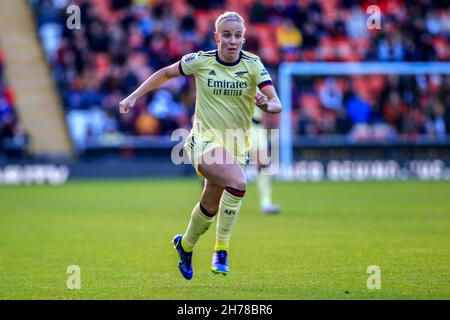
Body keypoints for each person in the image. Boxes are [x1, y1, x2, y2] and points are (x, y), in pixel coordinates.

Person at [119, 11, 282, 280]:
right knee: (239, 182)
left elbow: (277, 102)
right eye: (227, 35)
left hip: (235, 146)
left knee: (210, 206)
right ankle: (222, 249)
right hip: (202, 142)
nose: (233, 40)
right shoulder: (200, 61)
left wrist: (268, 104)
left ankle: (185, 245)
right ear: (217, 37)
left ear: (244, 38)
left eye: (238, 35)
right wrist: (133, 96)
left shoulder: (253, 65)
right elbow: (165, 73)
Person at [250, 107, 281, 214]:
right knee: (227, 164)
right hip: (240, 126)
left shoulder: (261, 90)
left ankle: (266, 203)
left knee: (264, 165)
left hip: (256, 128)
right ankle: (219, 203)